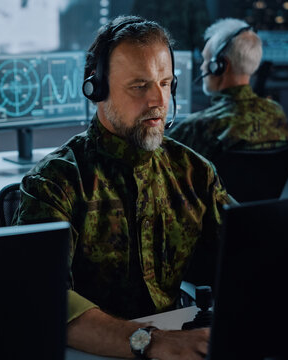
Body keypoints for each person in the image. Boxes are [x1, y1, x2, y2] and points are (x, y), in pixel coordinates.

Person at [15, 16, 233, 359]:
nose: (158, 100)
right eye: (139, 86)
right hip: (90, 349)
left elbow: (246, 255)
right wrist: (151, 341)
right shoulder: (56, 182)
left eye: (165, 83)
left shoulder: (194, 172)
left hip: (174, 339)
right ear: (96, 91)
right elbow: (42, 294)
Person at [167, 18, 288, 161]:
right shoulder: (276, 113)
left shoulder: (199, 126)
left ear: (219, 65)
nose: (202, 67)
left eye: (206, 60)